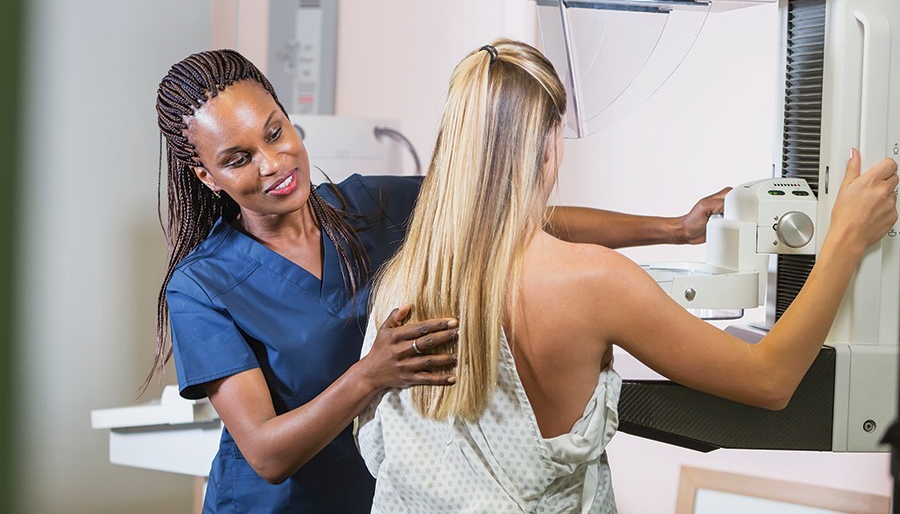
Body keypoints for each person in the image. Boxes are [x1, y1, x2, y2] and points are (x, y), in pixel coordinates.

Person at [149, 48, 729, 513]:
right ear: (206, 175)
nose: (272, 163)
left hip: (382, 494)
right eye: (238, 158)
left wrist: (676, 227)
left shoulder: (366, 206)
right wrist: (370, 375)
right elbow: (266, 454)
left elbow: (513, 217)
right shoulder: (202, 284)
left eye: (275, 134)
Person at [356, 39, 899, 513]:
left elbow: (520, 231)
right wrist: (846, 238)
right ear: (550, 143)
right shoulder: (593, 283)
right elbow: (769, 381)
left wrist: (676, 228)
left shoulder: (402, 284)